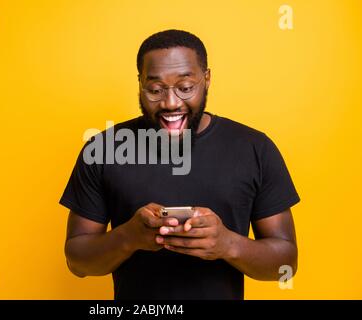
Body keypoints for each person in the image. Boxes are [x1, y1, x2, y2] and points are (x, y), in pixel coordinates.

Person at [59, 29, 300, 299]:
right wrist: (128, 238)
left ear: (206, 79)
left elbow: (285, 265)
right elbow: (77, 263)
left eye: (185, 88)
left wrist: (227, 244)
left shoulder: (255, 148)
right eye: (155, 89)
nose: (171, 102)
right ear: (140, 84)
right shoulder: (103, 150)